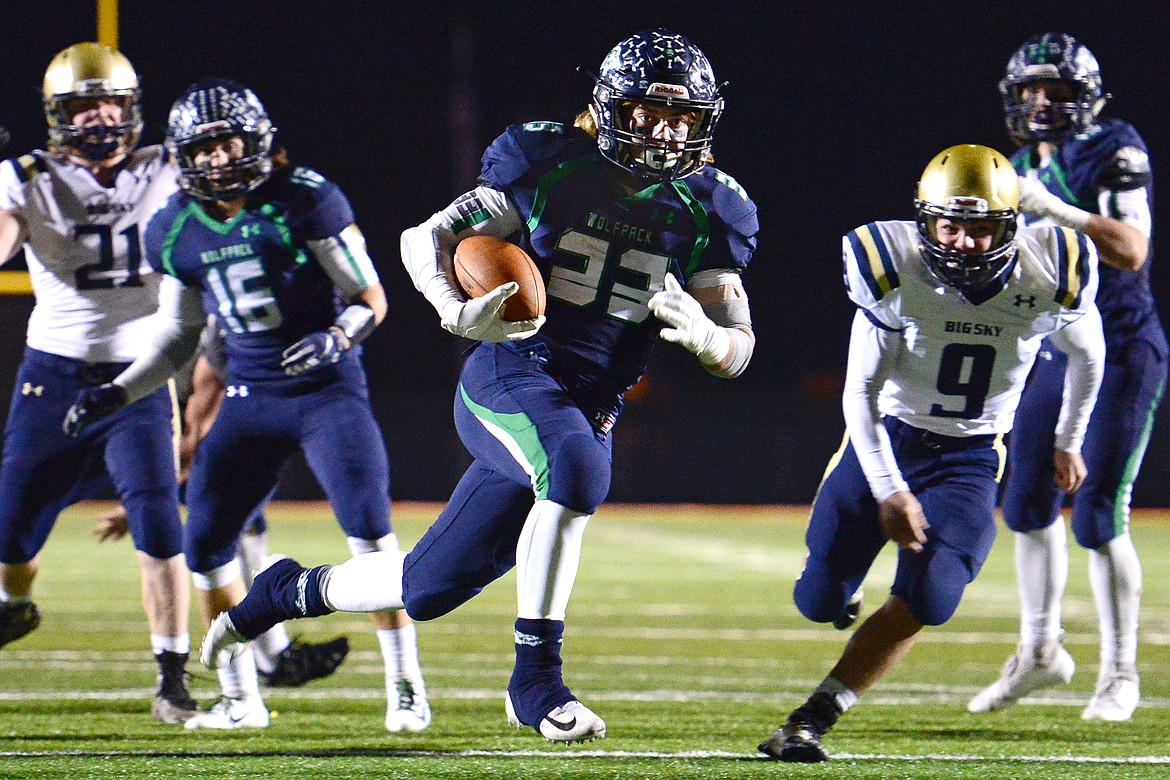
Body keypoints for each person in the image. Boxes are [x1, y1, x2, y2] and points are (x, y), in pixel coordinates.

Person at [198, 28, 758, 744]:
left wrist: (711, 338)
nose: (663, 130)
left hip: (592, 402)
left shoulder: (712, 206)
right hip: (513, 372)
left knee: (427, 587)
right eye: (649, 110)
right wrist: (452, 308)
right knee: (576, 472)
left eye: (682, 117)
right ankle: (536, 682)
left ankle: (282, 590)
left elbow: (737, 347)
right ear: (611, 106)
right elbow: (421, 239)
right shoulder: (551, 163)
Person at [63, 79, 429, 732]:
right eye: (202, 149)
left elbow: (370, 297)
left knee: (371, 536)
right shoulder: (173, 228)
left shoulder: (304, 199)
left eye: (228, 142)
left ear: (256, 141)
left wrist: (338, 336)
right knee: (204, 543)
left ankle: (406, 685)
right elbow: (177, 337)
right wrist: (117, 392)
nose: (217, 159)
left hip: (326, 390)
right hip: (249, 396)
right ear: (183, 156)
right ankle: (240, 697)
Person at [758, 144, 1105, 762]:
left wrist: (1067, 439)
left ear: (1011, 225)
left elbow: (1090, 353)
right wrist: (891, 489)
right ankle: (842, 594)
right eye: (951, 225)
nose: (967, 243)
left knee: (934, 595)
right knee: (817, 601)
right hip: (888, 438)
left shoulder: (1047, 274)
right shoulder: (895, 272)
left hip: (969, 457)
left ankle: (810, 719)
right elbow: (859, 394)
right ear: (926, 223)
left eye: (982, 227)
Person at [968, 33, 1166, 722]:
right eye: (1032, 90)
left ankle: (1120, 674)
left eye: (1057, 90)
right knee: (1025, 504)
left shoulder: (1113, 147)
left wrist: (1055, 209)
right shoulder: (1022, 163)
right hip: (1054, 348)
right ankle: (1041, 650)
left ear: (1089, 98)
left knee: (1098, 515)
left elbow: (1133, 250)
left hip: (1121, 347)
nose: (1043, 101)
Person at [0, 42, 198, 724]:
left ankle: (172, 673)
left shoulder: (170, 166)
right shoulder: (25, 176)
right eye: (86, 104)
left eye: (111, 102)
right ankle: (14, 603)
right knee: (11, 533)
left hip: (139, 374)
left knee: (157, 522)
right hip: (52, 374)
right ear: (59, 114)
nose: (101, 116)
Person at [92, 320, 351, 689]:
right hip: (151, 408)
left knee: (240, 526)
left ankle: (275, 657)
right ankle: (268, 663)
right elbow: (198, 434)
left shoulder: (220, 339)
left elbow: (203, 430)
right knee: (221, 540)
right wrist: (146, 496)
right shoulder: (210, 340)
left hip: (197, 417)